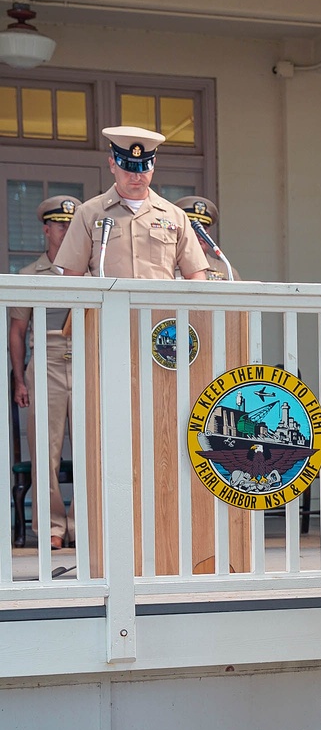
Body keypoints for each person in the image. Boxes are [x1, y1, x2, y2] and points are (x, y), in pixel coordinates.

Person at [8, 196, 82, 549]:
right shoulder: (30, 274)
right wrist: (20, 378)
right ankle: (53, 526)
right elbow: (18, 330)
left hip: (88, 356)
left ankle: (85, 524)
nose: (66, 231)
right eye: (60, 224)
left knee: (92, 446)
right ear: (46, 229)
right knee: (45, 449)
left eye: (72, 224)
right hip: (48, 356)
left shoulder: (92, 268)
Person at [52, 128, 210, 280]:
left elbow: (195, 275)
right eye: (129, 168)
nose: (136, 176)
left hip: (159, 307)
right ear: (113, 164)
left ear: (153, 164)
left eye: (143, 168)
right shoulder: (88, 213)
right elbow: (73, 276)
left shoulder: (175, 216)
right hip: (110, 307)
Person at [175, 197, 240, 281]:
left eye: (203, 228)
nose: (198, 233)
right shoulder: (167, 267)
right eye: (192, 227)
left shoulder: (226, 270)